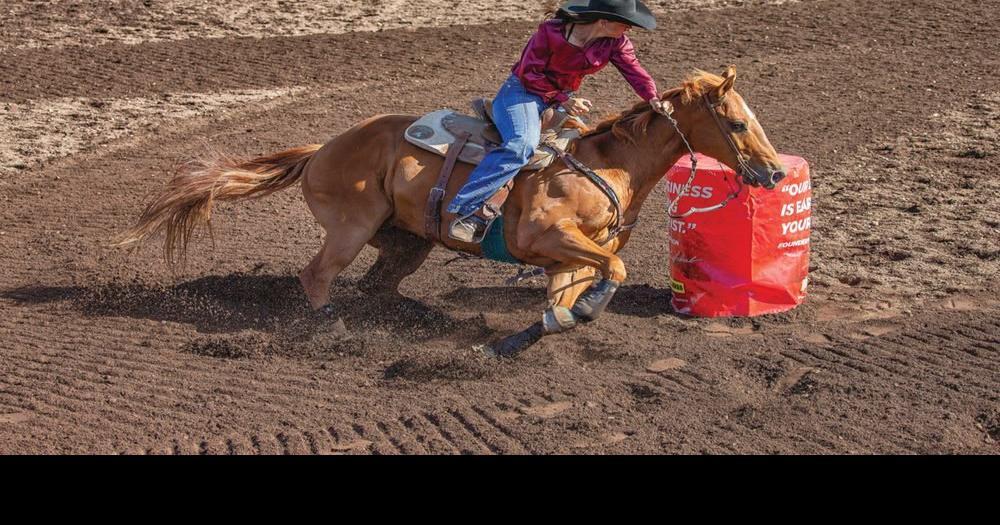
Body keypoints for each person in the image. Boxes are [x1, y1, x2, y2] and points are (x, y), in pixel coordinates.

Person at [447, 0, 672, 243]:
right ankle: (467, 206)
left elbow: (635, 71)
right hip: (522, 92)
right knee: (522, 145)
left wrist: (653, 98)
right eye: (625, 23)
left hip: (560, 99)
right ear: (603, 22)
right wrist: (563, 99)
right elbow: (529, 73)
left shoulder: (615, 42)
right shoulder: (550, 32)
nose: (629, 28)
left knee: (582, 152)